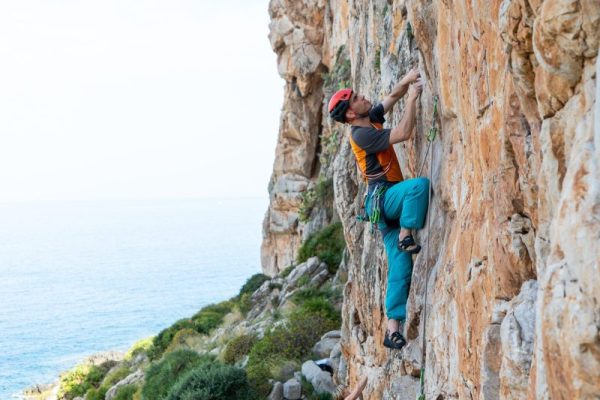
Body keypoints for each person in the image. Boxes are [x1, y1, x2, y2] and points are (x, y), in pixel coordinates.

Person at [328, 67, 429, 350]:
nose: (364, 97)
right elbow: (404, 133)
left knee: (399, 266)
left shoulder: (369, 119)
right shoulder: (360, 134)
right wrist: (413, 100)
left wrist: (407, 80)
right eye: (357, 98)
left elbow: (391, 96)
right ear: (350, 113)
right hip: (385, 198)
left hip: (382, 206)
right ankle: (406, 233)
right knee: (418, 186)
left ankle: (392, 329)